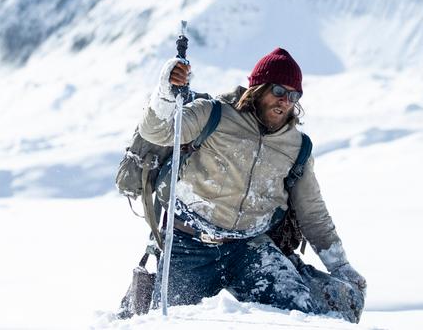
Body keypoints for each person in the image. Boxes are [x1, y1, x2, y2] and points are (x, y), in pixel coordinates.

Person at [141, 47, 366, 317]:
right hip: (189, 242)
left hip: (248, 247)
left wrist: (340, 266)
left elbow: (313, 214)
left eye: (294, 95)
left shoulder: (297, 147)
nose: (285, 101)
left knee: (299, 311)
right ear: (258, 88)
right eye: (278, 91)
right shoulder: (213, 114)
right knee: (169, 320)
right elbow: (157, 131)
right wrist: (166, 93)